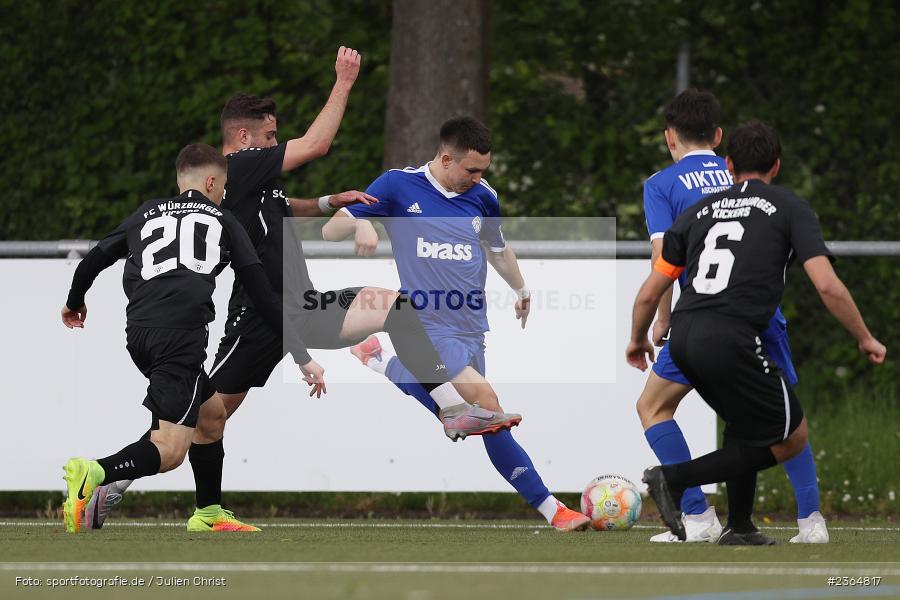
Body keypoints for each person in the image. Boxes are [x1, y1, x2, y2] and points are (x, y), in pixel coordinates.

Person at [88, 49, 519, 529]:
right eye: (270, 136)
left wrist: (328, 201)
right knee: (202, 419)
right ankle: (117, 480)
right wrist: (344, 81)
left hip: (304, 305)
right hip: (258, 318)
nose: (276, 143)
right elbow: (316, 143)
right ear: (244, 138)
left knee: (396, 305)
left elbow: (279, 205)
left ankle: (452, 409)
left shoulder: (250, 181)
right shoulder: (242, 164)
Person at [321, 116, 591, 532]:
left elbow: (498, 250)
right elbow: (329, 229)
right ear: (447, 159)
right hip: (425, 324)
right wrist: (362, 221)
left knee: (478, 422)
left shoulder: (483, 196)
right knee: (488, 405)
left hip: (471, 329)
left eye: (484, 170)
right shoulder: (396, 185)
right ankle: (554, 511)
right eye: (472, 170)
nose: (479, 178)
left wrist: (520, 289)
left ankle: (384, 364)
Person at [627, 121, 886, 545]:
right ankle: (677, 480)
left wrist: (638, 338)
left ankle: (739, 526)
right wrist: (864, 337)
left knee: (742, 423)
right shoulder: (789, 207)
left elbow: (650, 291)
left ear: (728, 165)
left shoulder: (696, 213)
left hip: (685, 335)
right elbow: (826, 284)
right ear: (777, 166)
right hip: (735, 336)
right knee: (791, 433)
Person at [61, 143, 303, 533]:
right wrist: (303, 354)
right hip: (180, 337)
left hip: (140, 333)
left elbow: (94, 258)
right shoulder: (223, 218)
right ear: (211, 181)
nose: (225, 193)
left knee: (211, 417)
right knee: (170, 449)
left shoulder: (146, 212)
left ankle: (208, 513)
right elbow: (260, 292)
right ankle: (94, 474)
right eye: (223, 186)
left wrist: (74, 302)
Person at [639, 89, 827, 543]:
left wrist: (660, 319)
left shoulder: (662, 184)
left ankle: (698, 516)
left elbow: (663, 258)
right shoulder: (741, 180)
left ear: (669, 137)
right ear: (719, 137)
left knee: (653, 406)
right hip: (761, 316)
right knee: (782, 418)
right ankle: (810, 520)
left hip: (702, 320)